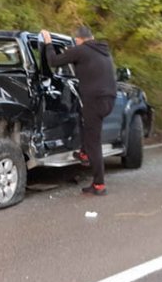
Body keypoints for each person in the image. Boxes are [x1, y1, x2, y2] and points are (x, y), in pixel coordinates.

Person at [39, 26, 117, 196]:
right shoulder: (102, 52)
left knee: (93, 142)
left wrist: (48, 43)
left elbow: (53, 61)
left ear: (78, 39)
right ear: (92, 37)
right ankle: (84, 153)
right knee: (84, 121)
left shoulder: (81, 50)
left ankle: (99, 184)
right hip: (108, 100)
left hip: (94, 102)